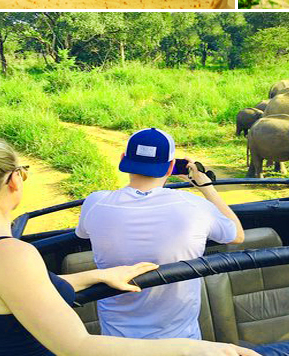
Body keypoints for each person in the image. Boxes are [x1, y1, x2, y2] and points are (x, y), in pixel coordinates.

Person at [0, 133, 263, 356]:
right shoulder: (10, 254)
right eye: (23, 171)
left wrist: (99, 274)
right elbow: (78, 349)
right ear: (13, 181)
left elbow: (6, 299)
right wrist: (195, 349)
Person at [76, 128, 244, 339]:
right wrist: (206, 187)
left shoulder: (95, 202)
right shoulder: (194, 206)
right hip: (181, 345)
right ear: (171, 167)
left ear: (122, 159)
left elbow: (82, 234)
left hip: (117, 346)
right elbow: (237, 235)